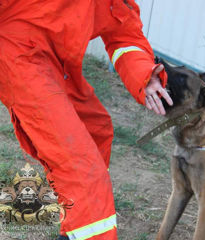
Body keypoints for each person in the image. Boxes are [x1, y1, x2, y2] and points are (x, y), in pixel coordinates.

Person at [0, 0, 173, 239]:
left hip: (55, 63)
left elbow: (125, 39)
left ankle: (75, 224)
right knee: (81, 166)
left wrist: (146, 75)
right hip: (19, 53)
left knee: (96, 130)